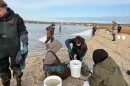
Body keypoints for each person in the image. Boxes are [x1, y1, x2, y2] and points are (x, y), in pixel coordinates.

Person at [0, 1, 28, 86]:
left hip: (14, 50)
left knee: (17, 70)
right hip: (1, 51)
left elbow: (23, 32)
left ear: (5, 7)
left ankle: (18, 84)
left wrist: (25, 45)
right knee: (3, 72)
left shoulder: (17, 18)